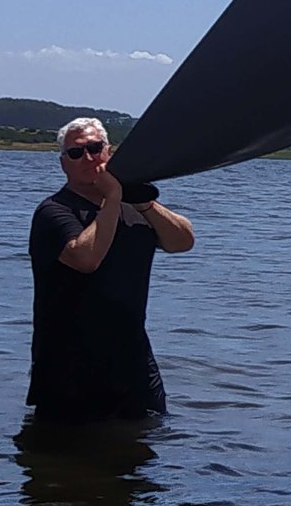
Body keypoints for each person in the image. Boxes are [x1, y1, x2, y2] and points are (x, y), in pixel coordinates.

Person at [26, 116, 195, 427]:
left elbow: (182, 241)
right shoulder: (54, 212)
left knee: (143, 452)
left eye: (94, 148)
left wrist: (143, 202)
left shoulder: (135, 207)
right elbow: (86, 258)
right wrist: (113, 199)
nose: (88, 158)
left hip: (133, 359)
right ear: (64, 163)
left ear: (109, 151)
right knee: (65, 463)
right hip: (69, 365)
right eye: (76, 153)